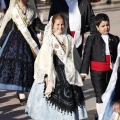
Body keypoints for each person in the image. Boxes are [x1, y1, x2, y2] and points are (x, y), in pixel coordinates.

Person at [25, 14, 88, 120]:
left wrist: (80, 71)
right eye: (57, 24)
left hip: (67, 72)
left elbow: (74, 56)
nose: (60, 27)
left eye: (62, 24)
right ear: (52, 25)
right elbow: (43, 59)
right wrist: (46, 75)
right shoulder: (49, 39)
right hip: (52, 71)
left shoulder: (68, 38)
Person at [0, 0, 45, 105]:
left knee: (30, 66)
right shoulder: (13, 10)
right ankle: (20, 92)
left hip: (29, 42)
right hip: (15, 42)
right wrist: (1, 42)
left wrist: (49, 26)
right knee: (18, 66)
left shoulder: (31, 11)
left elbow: (38, 25)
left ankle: (27, 89)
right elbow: (7, 28)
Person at [80, 13, 120, 120]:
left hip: (111, 72)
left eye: (107, 25)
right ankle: (100, 115)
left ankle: (107, 114)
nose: (106, 28)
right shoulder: (92, 38)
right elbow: (86, 56)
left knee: (109, 93)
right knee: (100, 95)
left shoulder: (115, 39)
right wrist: (83, 73)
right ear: (97, 27)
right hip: (97, 72)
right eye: (103, 26)